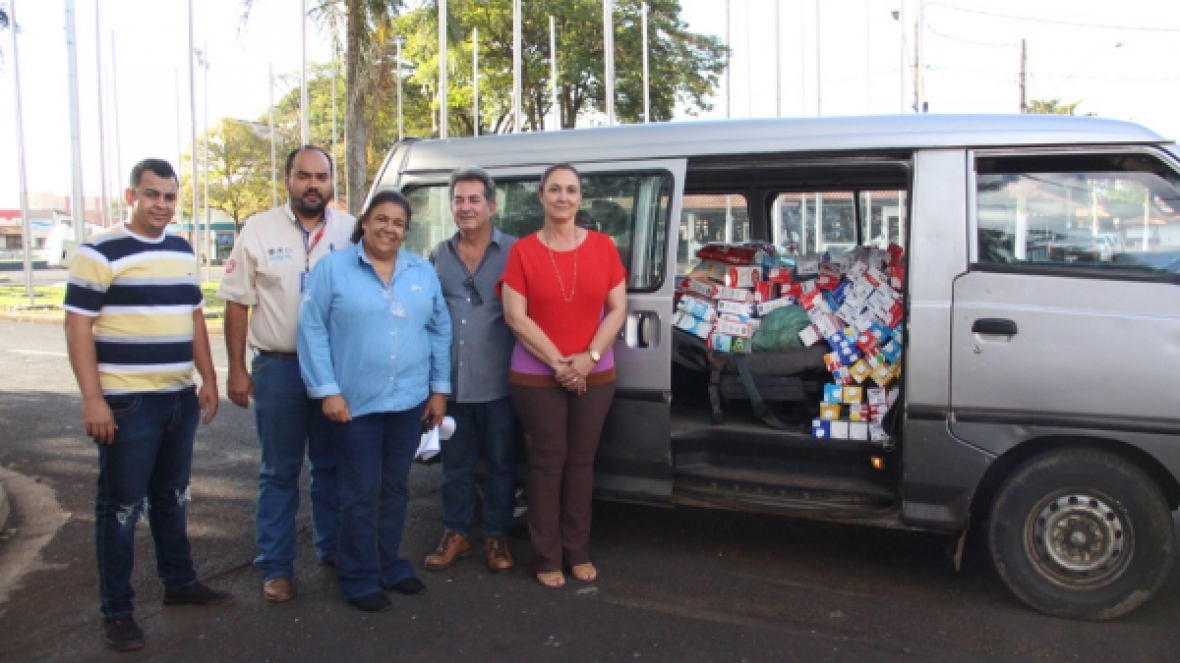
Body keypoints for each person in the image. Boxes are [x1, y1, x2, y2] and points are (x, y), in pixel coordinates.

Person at [64, 158, 234, 652]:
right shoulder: (99, 252)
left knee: (173, 497)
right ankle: (117, 611)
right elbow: (77, 327)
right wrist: (93, 399)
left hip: (178, 398)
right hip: (126, 403)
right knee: (120, 509)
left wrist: (208, 377)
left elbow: (195, 317)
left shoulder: (181, 249)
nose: (161, 204)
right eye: (151, 194)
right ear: (131, 196)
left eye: (169, 196)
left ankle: (179, 582)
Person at [298, 190, 452, 612]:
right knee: (360, 492)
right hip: (354, 403)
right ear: (364, 222)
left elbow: (439, 329)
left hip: (408, 400)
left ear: (406, 230)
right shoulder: (332, 269)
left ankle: (390, 565)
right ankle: (358, 575)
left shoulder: (421, 271)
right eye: (381, 219)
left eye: (398, 223)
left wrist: (439, 389)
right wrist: (327, 390)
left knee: (395, 488)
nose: (389, 228)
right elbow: (311, 329)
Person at [217, 146, 355, 603]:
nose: (313, 184)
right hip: (279, 366)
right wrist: (236, 369)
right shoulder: (258, 230)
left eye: (321, 176)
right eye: (303, 176)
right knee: (279, 471)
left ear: (331, 181)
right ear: (288, 179)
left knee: (331, 465)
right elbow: (237, 303)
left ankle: (333, 548)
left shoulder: (350, 230)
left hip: (335, 369)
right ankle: (276, 567)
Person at [500, 164, 628, 588]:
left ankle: (577, 551)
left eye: (571, 190)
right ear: (541, 196)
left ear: (580, 198)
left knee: (582, 463)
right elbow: (515, 317)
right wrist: (560, 365)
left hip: (595, 374)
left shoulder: (603, 247)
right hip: (536, 378)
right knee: (546, 463)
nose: (563, 197)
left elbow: (617, 310)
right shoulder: (522, 251)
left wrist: (588, 359)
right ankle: (546, 556)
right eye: (554, 189)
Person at [424, 167, 519, 573]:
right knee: (456, 467)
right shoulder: (438, 255)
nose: (466, 207)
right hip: (453, 387)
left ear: (492, 205)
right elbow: (428, 318)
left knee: (501, 464)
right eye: (459, 200)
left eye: (474, 199)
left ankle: (496, 536)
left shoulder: (516, 252)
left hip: (501, 383)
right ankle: (457, 533)